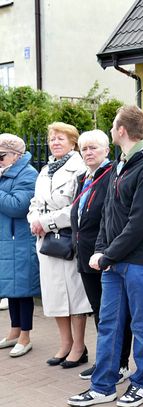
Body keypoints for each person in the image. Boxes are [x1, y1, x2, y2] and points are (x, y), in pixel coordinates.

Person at [68, 105, 143, 407]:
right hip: (114, 262)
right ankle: (103, 386)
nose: (111, 130)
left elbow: (140, 223)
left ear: (122, 130)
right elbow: (108, 215)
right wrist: (101, 249)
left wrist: (107, 254)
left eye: (113, 126)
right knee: (109, 324)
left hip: (141, 262)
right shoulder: (120, 165)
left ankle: (141, 384)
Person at [70, 130, 132, 383]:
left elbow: (111, 216)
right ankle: (105, 361)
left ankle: (120, 364)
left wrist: (105, 250)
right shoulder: (83, 177)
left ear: (107, 150)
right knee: (99, 311)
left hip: (105, 254)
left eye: (93, 147)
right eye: (84, 148)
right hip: (85, 254)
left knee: (114, 314)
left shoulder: (111, 174)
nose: (88, 152)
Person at [27, 122, 91, 368]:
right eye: (52, 138)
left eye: (60, 138)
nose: (55, 142)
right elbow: (35, 202)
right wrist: (34, 220)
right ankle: (65, 343)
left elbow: (77, 207)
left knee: (74, 296)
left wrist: (46, 222)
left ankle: (79, 346)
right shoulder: (45, 170)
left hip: (67, 239)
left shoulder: (80, 168)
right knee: (54, 295)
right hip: (45, 241)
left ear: (73, 142)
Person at [0, 134, 39, 358]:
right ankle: (14, 331)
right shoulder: (5, 172)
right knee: (11, 287)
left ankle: (25, 336)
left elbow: (17, 206)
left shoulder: (28, 173)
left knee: (23, 289)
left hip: (21, 239)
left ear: (15, 155)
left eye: (1, 156)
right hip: (8, 239)